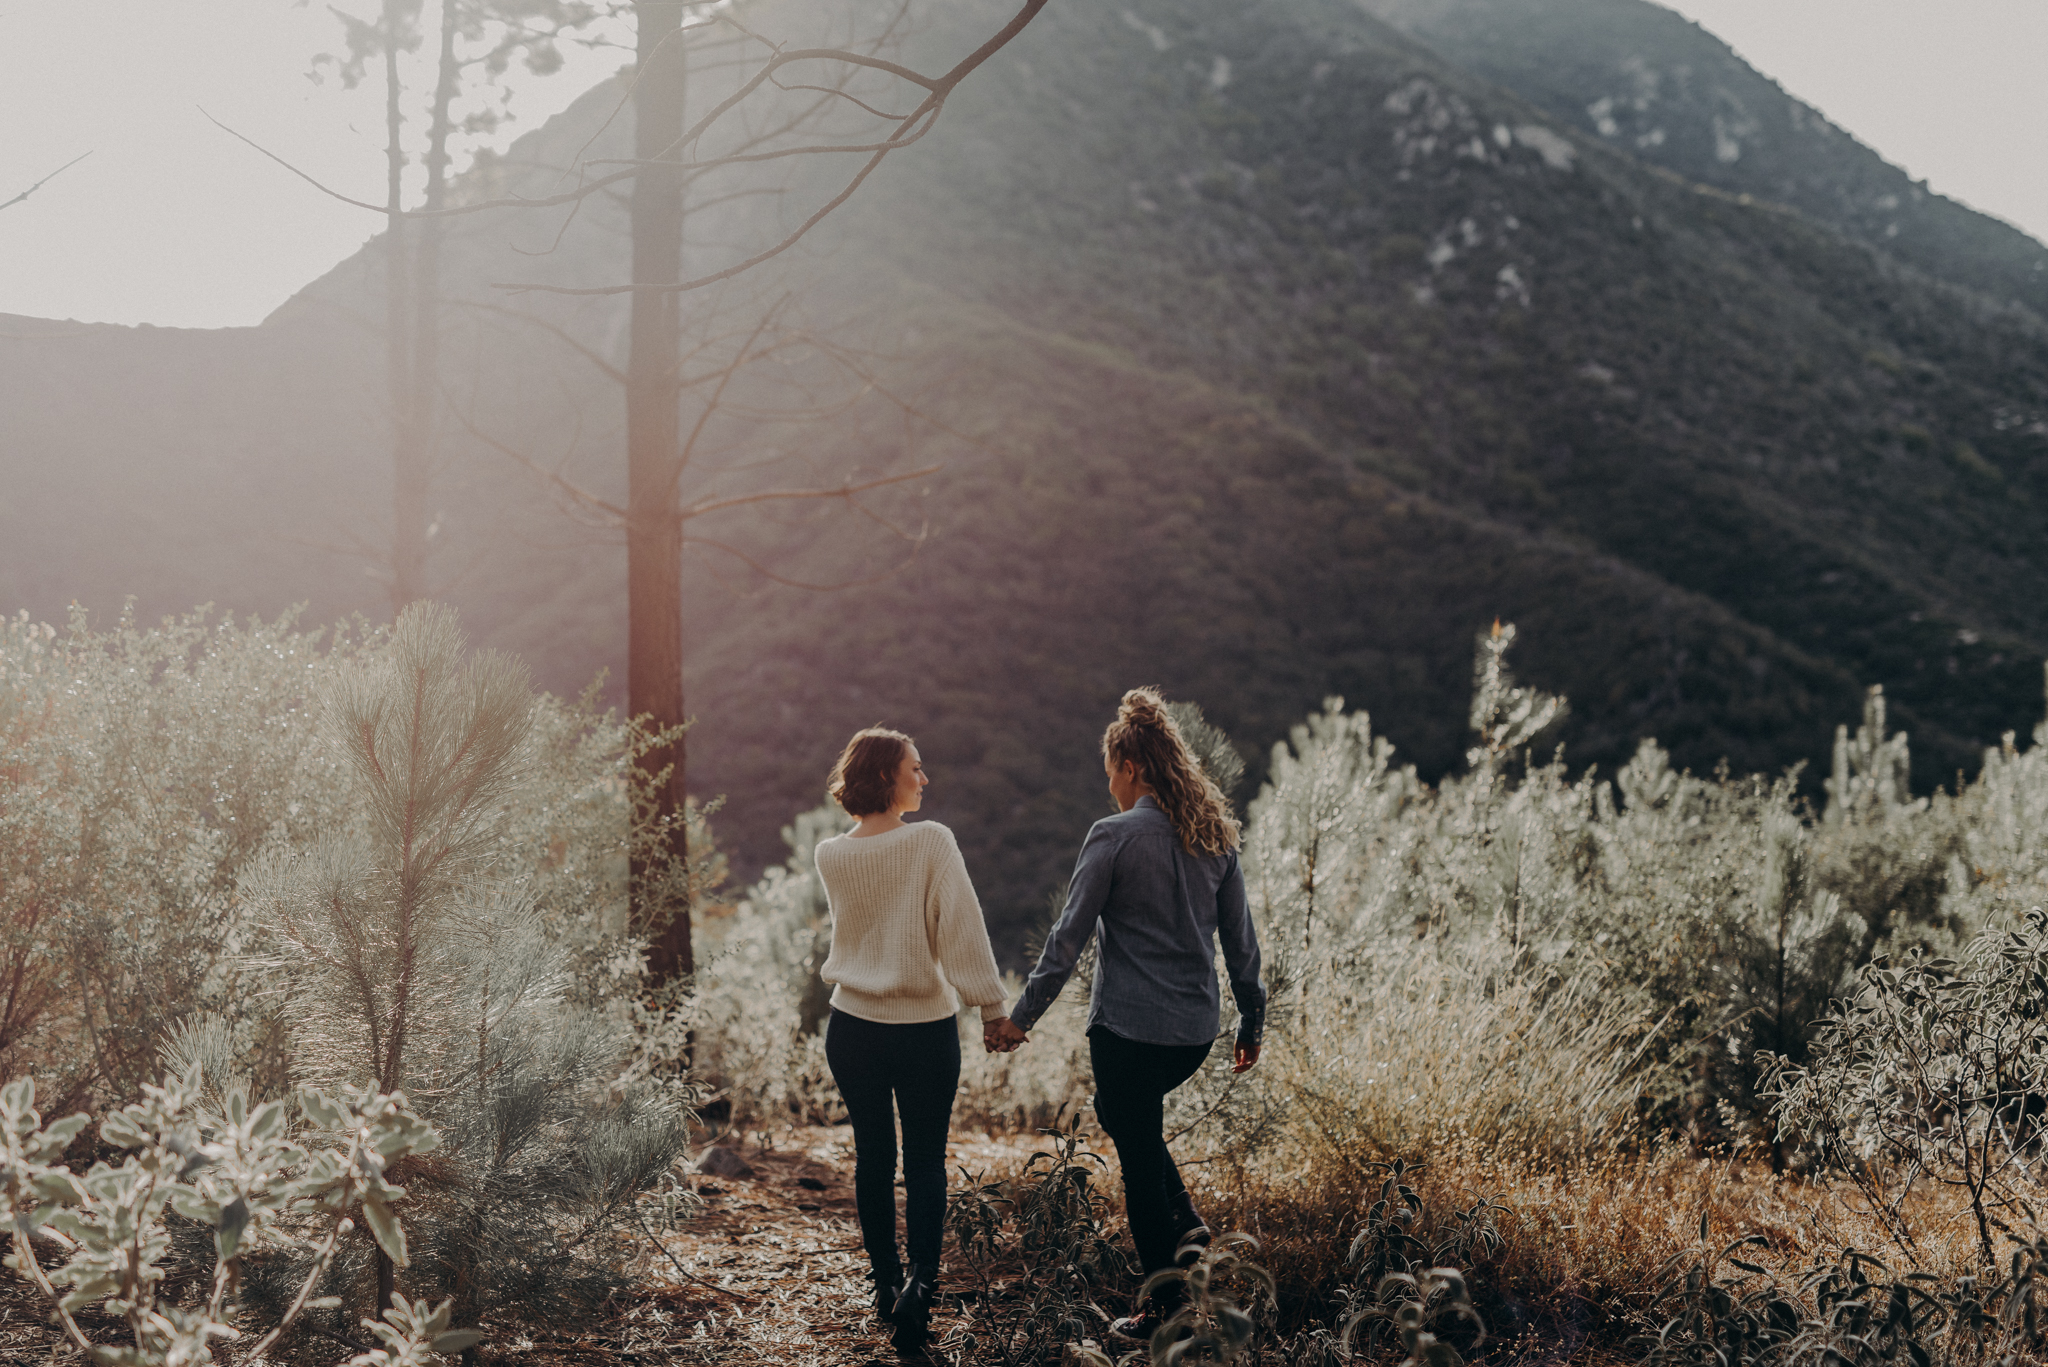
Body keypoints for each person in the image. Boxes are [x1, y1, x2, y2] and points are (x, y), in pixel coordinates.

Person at [986, 689, 1266, 1343]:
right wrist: (1251, 1020)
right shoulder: (1214, 836)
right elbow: (1241, 940)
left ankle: (1161, 1308)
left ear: (1131, 768)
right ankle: (1190, 1225)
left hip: (1127, 1030)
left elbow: (1066, 939)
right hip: (1194, 1031)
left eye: (1110, 771)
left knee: (1137, 1158)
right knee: (1124, 1115)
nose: (1108, 785)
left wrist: (1021, 1017)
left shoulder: (1112, 835)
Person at [813, 726, 1009, 1353]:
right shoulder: (931, 841)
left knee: (873, 1159)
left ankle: (884, 1282)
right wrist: (990, 1007)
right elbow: (961, 930)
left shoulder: (830, 854)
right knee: (924, 1161)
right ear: (884, 777)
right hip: (923, 1029)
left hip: (851, 1030)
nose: (924, 779)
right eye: (915, 769)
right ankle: (919, 1289)